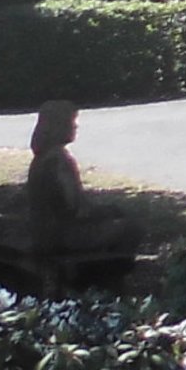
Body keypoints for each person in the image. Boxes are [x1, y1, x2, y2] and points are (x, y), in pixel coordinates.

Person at [21, 102, 137, 282]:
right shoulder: (58, 161)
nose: (75, 126)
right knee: (131, 228)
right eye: (71, 121)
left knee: (116, 219)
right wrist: (104, 211)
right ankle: (99, 282)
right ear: (58, 126)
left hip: (43, 234)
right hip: (62, 236)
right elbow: (73, 208)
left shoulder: (41, 158)